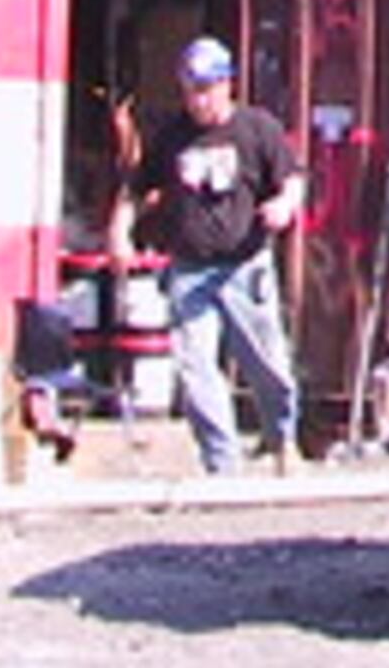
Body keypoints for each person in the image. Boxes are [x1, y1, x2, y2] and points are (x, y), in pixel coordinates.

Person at [108, 35, 304, 475]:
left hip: (244, 265)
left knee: (266, 363)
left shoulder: (257, 129)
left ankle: (282, 440)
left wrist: (284, 205)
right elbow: (136, 191)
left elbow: (291, 179)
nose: (199, 101)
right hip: (190, 271)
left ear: (227, 84)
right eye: (191, 90)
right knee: (195, 368)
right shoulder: (173, 137)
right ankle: (222, 463)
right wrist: (119, 234)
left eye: (207, 89)